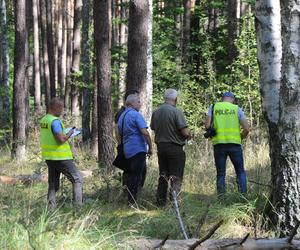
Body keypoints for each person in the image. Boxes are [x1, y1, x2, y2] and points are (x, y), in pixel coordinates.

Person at [150, 89, 191, 207]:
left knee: (163, 175)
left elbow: (153, 127)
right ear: (176, 99)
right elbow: (184, 132)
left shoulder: (156, 112)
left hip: (161, 148)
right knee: (176, 177)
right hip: (175, 148)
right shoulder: (176, 112)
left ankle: (160, 203)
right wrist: (189, 135)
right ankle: (175, 204)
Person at [40, 98, 83, 209]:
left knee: (53, 185)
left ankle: (50, 210)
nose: (62, 110)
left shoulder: (44, 120)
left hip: (49, 157)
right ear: (54, 107)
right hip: (61, 157)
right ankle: (78, 208)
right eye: (61, 107)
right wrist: (70, 133)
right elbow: (61, 139)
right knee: (77, 179)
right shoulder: (54, 121)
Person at [204, 91, 250, 195]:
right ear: (232, 99)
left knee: (221, 173)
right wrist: (240, 137)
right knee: (240, 172)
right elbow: (247, 129)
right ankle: (243, 197)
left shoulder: (214, 107)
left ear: (222, 98)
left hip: (219, 144)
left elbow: (207, 126)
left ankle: (221, 199)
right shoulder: (236, 109)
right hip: (235, 144)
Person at [117, 94, 152, 206]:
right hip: (138, 149)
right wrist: (151, 147)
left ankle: (129, 199)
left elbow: (118, 133)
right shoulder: (136, 115)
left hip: (127, 150)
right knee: (136, 176)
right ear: (131, 103)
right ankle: (132, 202)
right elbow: (145, 132)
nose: (140, 104)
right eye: (138, 102)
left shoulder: (122, 116)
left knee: (131, 175)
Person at [114, 90, 147, 188]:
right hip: (133, 148)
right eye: (138, 100)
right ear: (130, 101)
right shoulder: (124, 113)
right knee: (132, 173)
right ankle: (130, 196)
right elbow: (117, 132)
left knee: (133, 171)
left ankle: (130, 193)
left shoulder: (125, 113)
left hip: (127, 147)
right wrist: (121, 145)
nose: (140, 103)